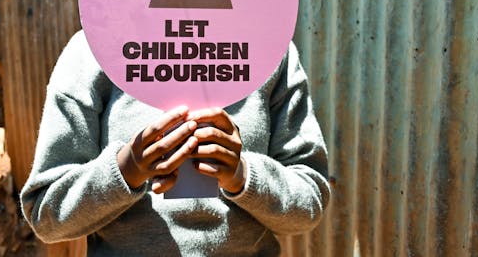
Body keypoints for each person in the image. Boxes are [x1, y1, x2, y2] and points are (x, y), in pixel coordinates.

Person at [20, 31, 330, 256]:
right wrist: (125, 170)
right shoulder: (94, 50)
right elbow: (47, 217)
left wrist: (245, 175)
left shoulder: (269, 51)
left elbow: (310, 202)